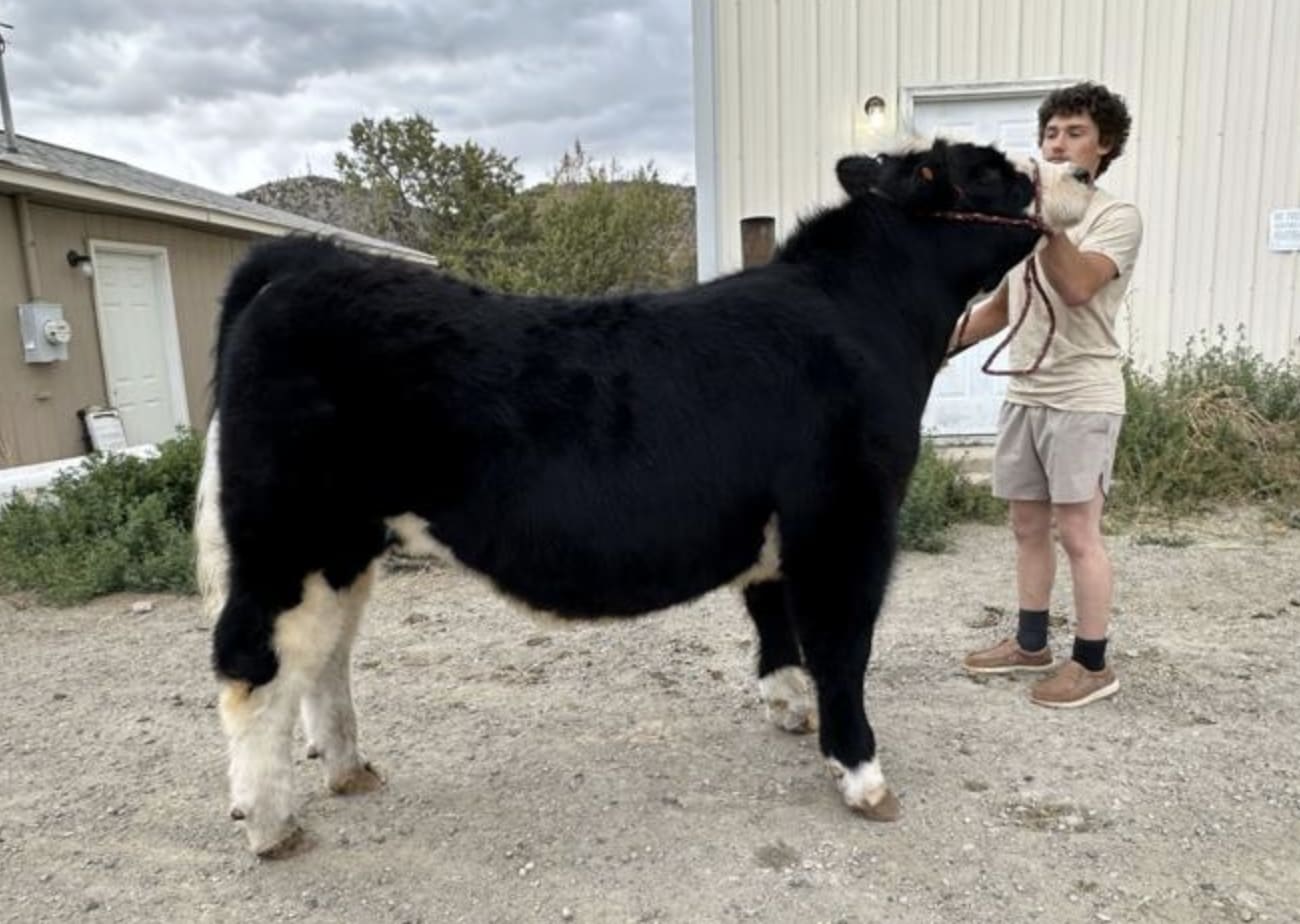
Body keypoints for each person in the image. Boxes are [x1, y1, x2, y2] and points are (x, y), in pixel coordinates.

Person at [954, 82, 1143, 708]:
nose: (1059, 142)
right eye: (1052, 133)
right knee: (1026, 525)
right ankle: (1030, 643)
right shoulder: (1024, 225)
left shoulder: (1115, 217)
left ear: (1105, 145)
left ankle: (1092, 664)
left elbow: (1080, 286)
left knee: (1078, 533)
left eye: (1076, 132)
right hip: (1027, 394)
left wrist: (1046, 216)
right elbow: (998, 310)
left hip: (1082, 396)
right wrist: (921, 345)